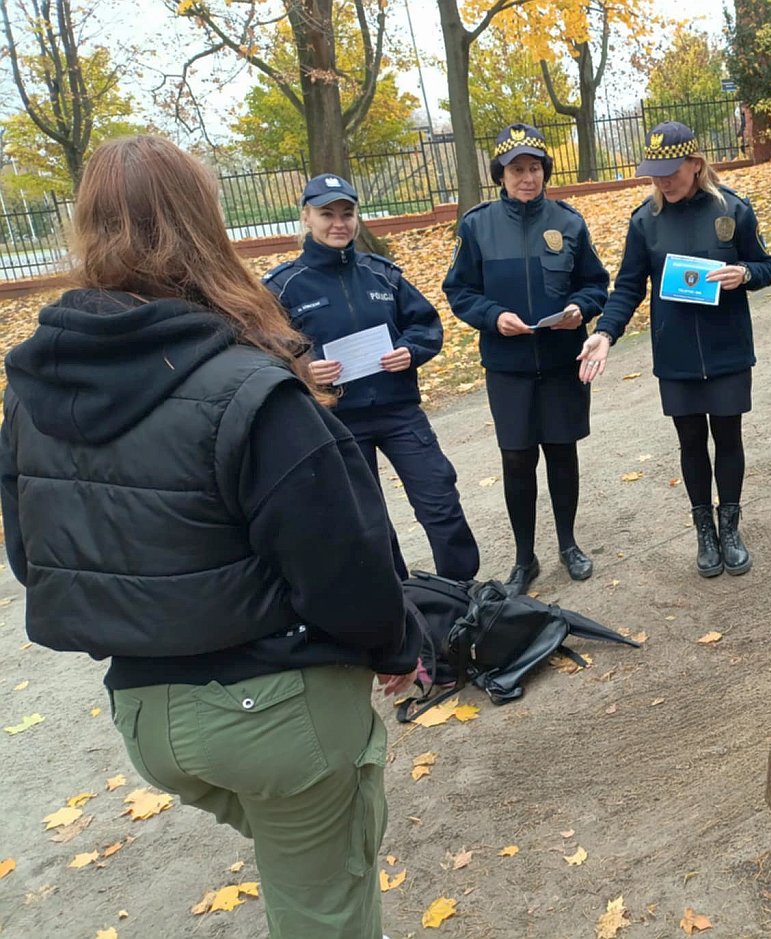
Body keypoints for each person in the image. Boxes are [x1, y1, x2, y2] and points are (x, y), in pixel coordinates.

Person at [0, 135, 419, 938]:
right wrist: (398, 645)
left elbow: (36, 559)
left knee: (301, 851)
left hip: (146, 719)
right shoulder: (248, 383)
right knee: (325, 904)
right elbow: (344, 562)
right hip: (274, 712)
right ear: (204, 224)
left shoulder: (31, 390)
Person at [580, 121, 771, 577]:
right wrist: (605, 333)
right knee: (691, 442)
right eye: (655, 173)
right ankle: (703, 530)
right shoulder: (644, 222)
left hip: (727, 350)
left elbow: (766, 265)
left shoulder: (733, 210)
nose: (663, 181)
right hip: (677, 356)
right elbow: (627, 288)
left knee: (728, 438)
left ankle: (730, 526)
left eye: (671, 171)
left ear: (695, 163)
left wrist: (744, 274)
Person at [264, 172, 479, 584]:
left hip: (399, 411)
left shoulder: (382, 274)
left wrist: (410, 352)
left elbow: (426, 326)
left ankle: (460, 589)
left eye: (347, 213)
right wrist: (303, 370)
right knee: (367, 519)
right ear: (306, 217)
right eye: (327, 214)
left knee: (440, 499)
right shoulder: (282, 287)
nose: (339, 223)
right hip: (336, 422)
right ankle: (399, 600)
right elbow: (262, 351)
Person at [442, 124, 611, 596]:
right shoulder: (477, 226)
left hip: (561, 363)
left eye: (534, 168)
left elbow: (596, 284)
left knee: (562, 453)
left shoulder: (569, 222)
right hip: (509, 367)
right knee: (517, 461)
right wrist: (494, 318)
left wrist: (581, 308)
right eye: (517, 169)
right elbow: (459, 291)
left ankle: (568, 544)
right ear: (501, 174)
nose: (527, 177)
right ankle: (523, 557)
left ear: (544, 172)